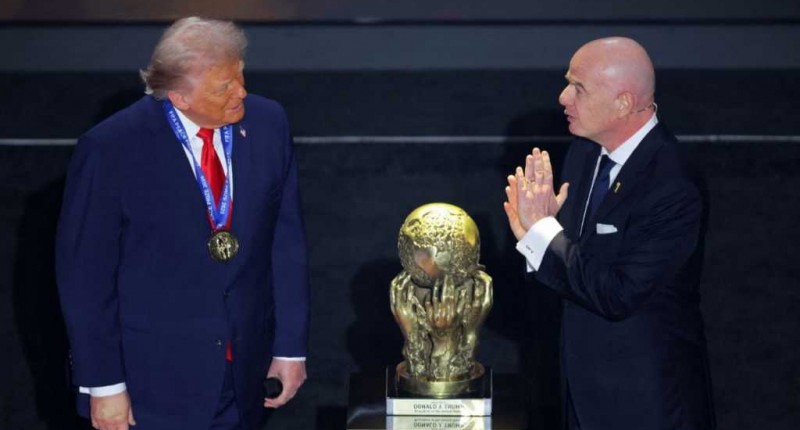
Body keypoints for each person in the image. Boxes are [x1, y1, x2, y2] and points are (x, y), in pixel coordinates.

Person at [56, 17, 309, 430]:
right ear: (179, 97)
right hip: (150, 388)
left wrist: (289, 348)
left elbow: (286, 241)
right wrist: (104, 384)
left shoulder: (268, 123)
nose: (241, 93)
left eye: (240, 76)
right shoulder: (111, 149)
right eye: (224, 87)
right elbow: (85, 279)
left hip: (244, 375)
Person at [503, 37, 714, 429]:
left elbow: (618, 293)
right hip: (577, 393)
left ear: (623, 103)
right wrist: (537, 238)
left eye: (578, 88)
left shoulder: (673, 186)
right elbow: (573, 267)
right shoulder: (584, 153)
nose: (563, 97)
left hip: (643, 409)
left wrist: (544, 234)